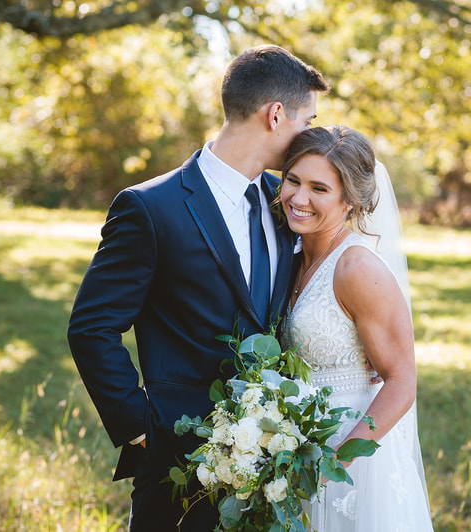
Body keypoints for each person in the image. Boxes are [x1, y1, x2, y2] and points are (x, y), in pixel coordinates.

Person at [66, 46, 328, 532]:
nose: (312, 134)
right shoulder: (150, 207)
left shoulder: (284, 205)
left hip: (268, 463)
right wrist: (141, 429)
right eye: (308, 120)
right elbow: (92, 327)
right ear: (276, 115)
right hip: (175, 457)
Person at [279, 125, 434, 530]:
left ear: (350, 201)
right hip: (295, 450)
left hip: (351, 457)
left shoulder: (357, 268)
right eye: (292, 180)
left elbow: (401, 380)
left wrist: (335, 462)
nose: (298, 198)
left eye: (319, 188)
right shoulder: (292, 256)